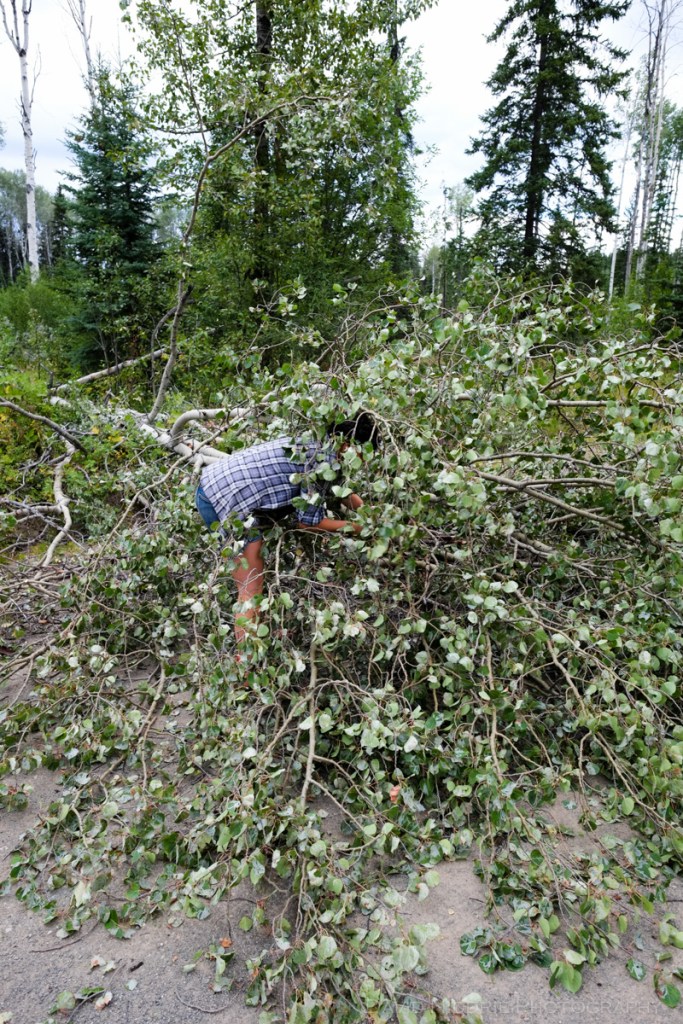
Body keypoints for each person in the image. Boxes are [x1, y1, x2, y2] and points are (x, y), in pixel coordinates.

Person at [195, 412, 379, 642]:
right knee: (251, 587)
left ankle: (250, 657)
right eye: (364, 454)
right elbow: (308, 523)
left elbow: (338, 490)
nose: (364, 461)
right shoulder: (324, 459)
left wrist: (372, 515)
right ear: (348, 445)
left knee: (251, 583)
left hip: (213, 486)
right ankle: (245, 670)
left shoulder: (318, 443)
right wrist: (358, 528)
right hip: (222, 501)